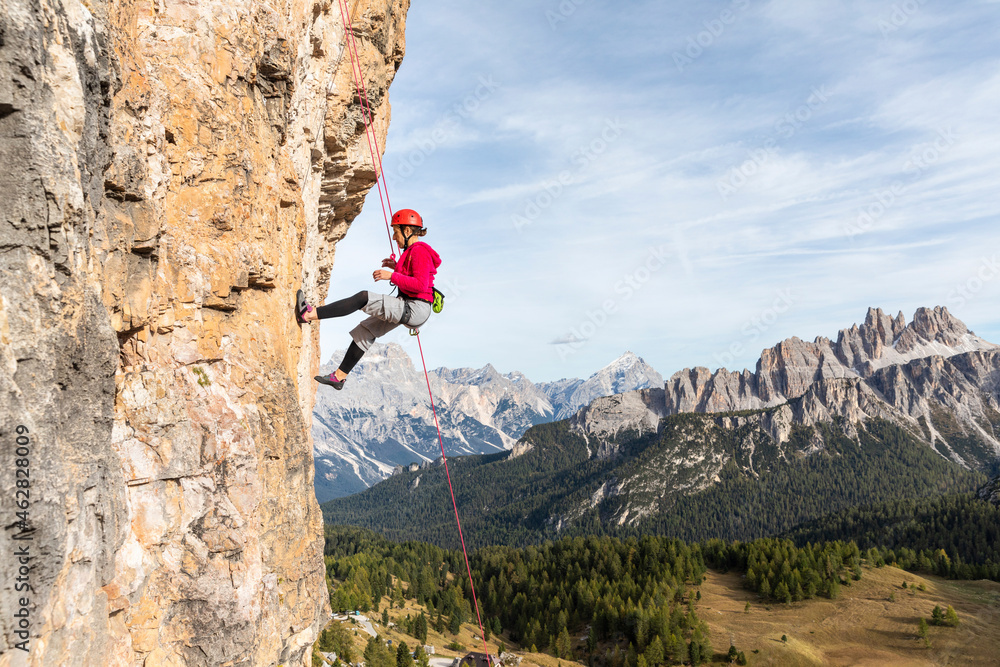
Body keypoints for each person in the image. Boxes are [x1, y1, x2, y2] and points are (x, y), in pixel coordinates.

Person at [297, 208, 441, 389]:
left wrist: (391, 276)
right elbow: (413, 278)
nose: (394, 238)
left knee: (363, 298)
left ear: (406, 230)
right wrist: (397, 268)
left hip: (414, 307)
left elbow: (420, 284)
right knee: (365, 331)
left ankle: (308, 314)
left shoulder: (419, 251)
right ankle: (338, 377)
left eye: (396, 232)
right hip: (413, 308)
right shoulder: (413, 251)